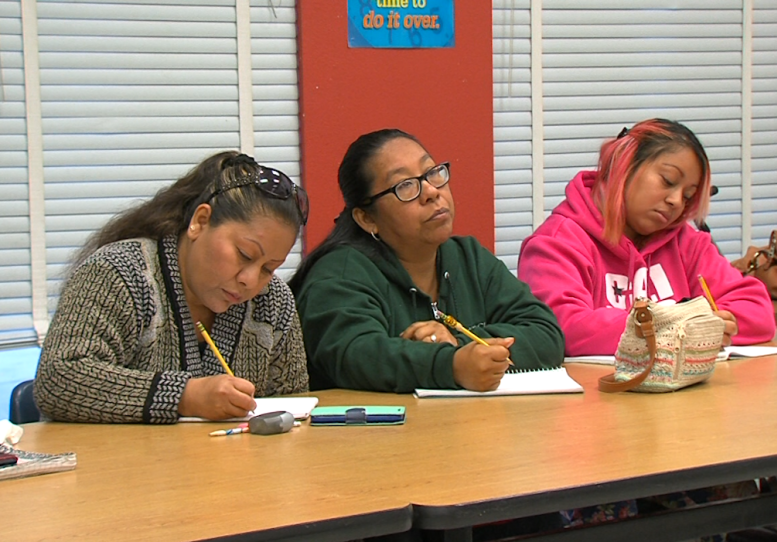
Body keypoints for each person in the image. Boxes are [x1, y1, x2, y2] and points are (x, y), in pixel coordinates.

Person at [34, 152, 310, 423]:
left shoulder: (272, 300)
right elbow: (59, 378)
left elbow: (293, 402)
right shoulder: (120, 272)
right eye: (244, 254)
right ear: (200, 222)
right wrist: (184, 396)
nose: (251, 280)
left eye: (268, 268)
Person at [289, 128, 564, 393]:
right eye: (405, 186)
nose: (432, 192)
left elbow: (546, 334)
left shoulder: (469, 258)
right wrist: (450, 365)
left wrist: (456, 342)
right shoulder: (339, 274)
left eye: (432, 173)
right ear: (367, 218)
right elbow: (355, 355)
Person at [519, 118, 775, 356]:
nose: (676, 202)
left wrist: (712, 324)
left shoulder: (686, 242)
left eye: (688, 196)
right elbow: (562, 328)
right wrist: (670, 325)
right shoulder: (556, 242)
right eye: (667, 181)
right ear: (624, 166)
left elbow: (757, 312)